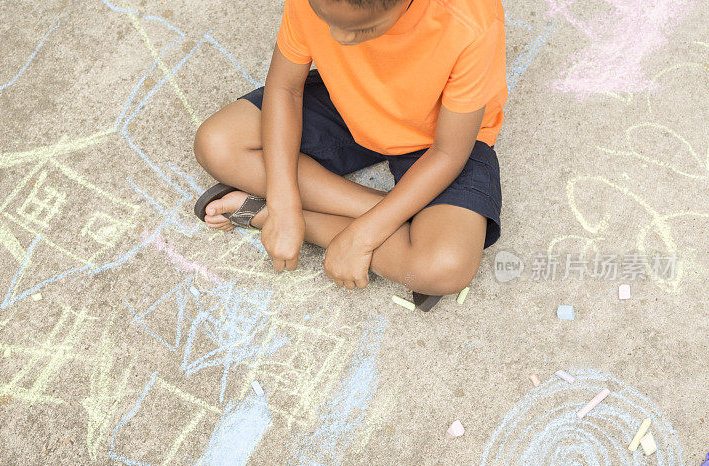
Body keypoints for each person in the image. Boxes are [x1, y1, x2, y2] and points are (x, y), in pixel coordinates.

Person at [193, 0, 506, 310]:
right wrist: (283, 204)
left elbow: (449, 152)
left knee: (444, 267)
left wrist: (364, 236)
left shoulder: (468, 20)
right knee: (218, 143)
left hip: (440, 137)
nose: (338, 37)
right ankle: (405, 222)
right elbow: (285, 89)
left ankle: (262, 213)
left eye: (363, 28)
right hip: (348, 101)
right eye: (325, 18)